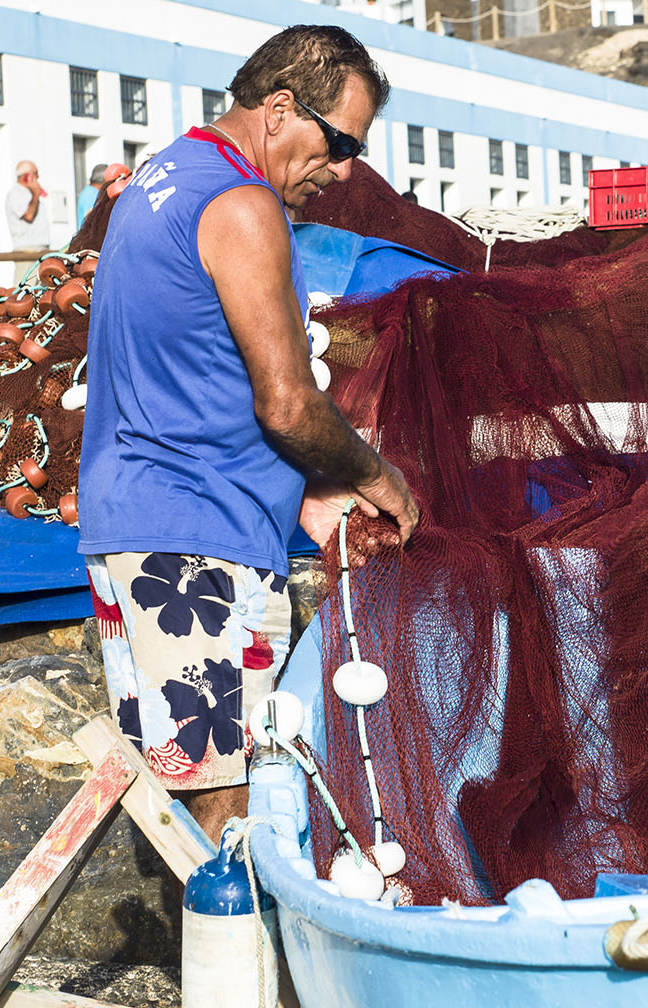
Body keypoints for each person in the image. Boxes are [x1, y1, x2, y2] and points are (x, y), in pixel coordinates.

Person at [78, 24, 421, 843]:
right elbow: (288, 404)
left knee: (194, 790)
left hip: (141, 520)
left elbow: (191, 366)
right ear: (277, 109)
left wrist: (301, 486)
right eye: (338, 142)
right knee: (226, 807)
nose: (342, 171)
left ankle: (216, 961)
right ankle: (234, 971)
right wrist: (376, 477)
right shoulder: (242, 204)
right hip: (196, 539)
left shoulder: (170, 172)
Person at [5, 160, 51, 276]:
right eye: (36, 173)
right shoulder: (16, 194)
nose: (38, 177)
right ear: (27, 176)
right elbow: (29, 215)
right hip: (27, 250)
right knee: (25, 287)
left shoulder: (27, 192)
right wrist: (35, 194)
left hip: (39, 248)